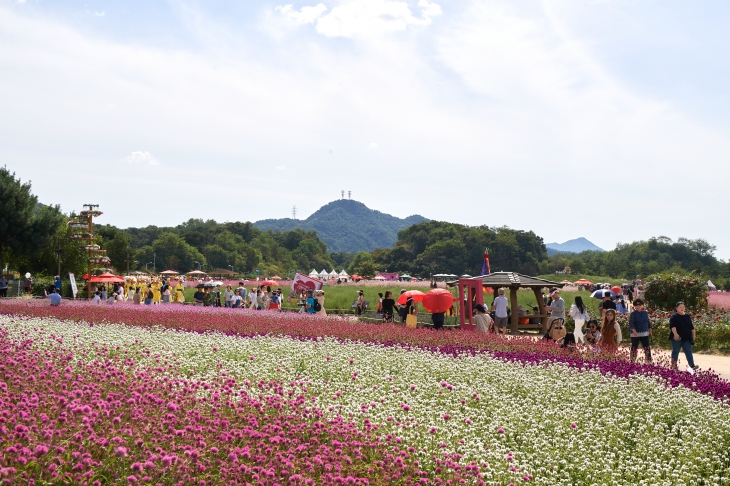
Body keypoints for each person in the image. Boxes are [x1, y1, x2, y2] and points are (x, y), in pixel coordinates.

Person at [669, 301, 697, 370]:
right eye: (680, 307)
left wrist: (693, 335)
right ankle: (674, 365)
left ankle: (692, 365)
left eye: (683, 307)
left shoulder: (687, 316)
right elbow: (673, 326)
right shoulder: (674, 316)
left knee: (688, 351)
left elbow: (691, 327)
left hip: (686, 338)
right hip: (677, 338)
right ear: (676, 308)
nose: (682, 308)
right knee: (675, 351)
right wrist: (675, 334)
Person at [628, 298, 652, 363]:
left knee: (647, 348)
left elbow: (648, 322)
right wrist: (634, 331)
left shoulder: (645, 313)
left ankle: (649, 361)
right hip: (635, 334)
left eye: (639, 304)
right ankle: (632, 361)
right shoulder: (633, 314)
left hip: (645, 333)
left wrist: (650, 330)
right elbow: (631, 323)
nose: (638, 306)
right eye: (636, 304)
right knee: (634, 348)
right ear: (634, 306)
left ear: (642, 305)